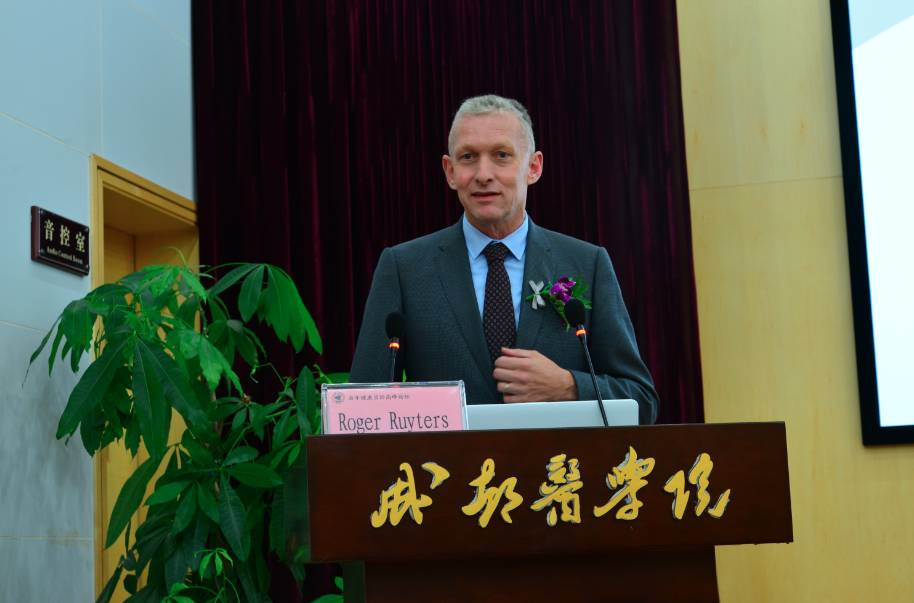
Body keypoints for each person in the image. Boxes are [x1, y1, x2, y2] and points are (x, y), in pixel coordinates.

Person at [350, 94, 658, 424]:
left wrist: (568, 386)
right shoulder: (405, 269)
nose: (483, 174)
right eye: (468, 157)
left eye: (501, 155)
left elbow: (641, 401)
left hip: (556, 459)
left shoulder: (587, 264)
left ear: (533, 167)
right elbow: (360, 410)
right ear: (450, 171)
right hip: (448, 458)